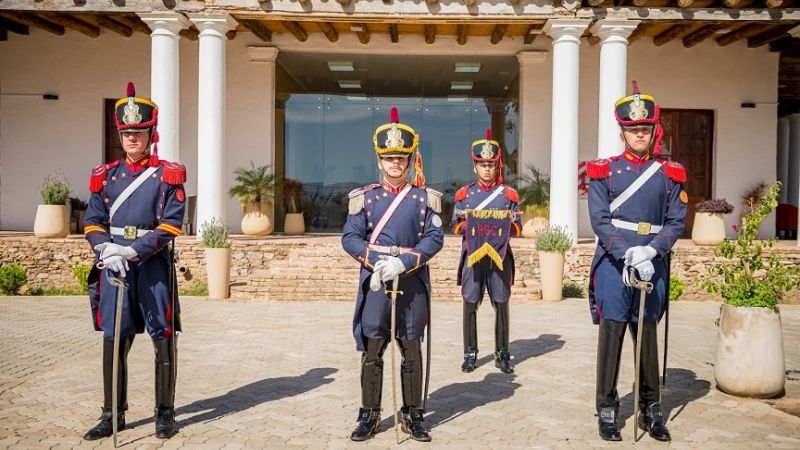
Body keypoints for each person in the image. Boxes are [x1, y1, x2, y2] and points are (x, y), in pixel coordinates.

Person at [82, 82, 186, 441]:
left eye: (139, 133)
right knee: (114, 340)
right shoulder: (105, 176)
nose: (132, 139)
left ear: (150, 134)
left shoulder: (167, 175)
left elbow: (172, 223)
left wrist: (134, 250)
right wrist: (104, 249)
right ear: (120, 134)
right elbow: (93, 220)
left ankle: (165, 413)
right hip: (113, 265)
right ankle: (113, 413)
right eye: (126, 133)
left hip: (151, 265)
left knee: (163, 338)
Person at [587, 81, 687, 442]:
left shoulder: (670, 173)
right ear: (622, 132)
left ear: (653, 130)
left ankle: (651, 409)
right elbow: (599, 219)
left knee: (646, 335)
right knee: (612, 334)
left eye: (645, 129)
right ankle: (608, 408)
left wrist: (652, 250)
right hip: (616, 264)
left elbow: (676, 220)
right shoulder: (603, 171)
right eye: (633, 130)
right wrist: (627, 251)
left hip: (652, 262)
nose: (639, 134)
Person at [342, 107, 444, 442]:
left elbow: (435, 237)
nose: (395, 164)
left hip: (411, 283)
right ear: (379, 161)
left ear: (411, 160)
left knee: (411, 350)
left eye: (401, 158)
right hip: (376, 285)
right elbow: (350, 237)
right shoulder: (365, 198)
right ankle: (369, 414)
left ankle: (413, 414)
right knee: (373, 352)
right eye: (389, 158)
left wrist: (406, 262)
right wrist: (376, 263)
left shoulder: (423, 199)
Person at [450, 128, 521, 374]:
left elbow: (517, 227)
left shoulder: (509, 194)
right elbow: (455, 225)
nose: (487, 169)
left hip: (500, 257)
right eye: (482, 164)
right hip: (473, 254)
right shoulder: (464, 194)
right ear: (475, 167)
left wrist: (504, 224)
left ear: (497, 165)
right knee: (470, 303)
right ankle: (470, 353)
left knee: (501, 304)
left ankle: (503, 354)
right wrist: (471, 224)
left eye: (491, 164)